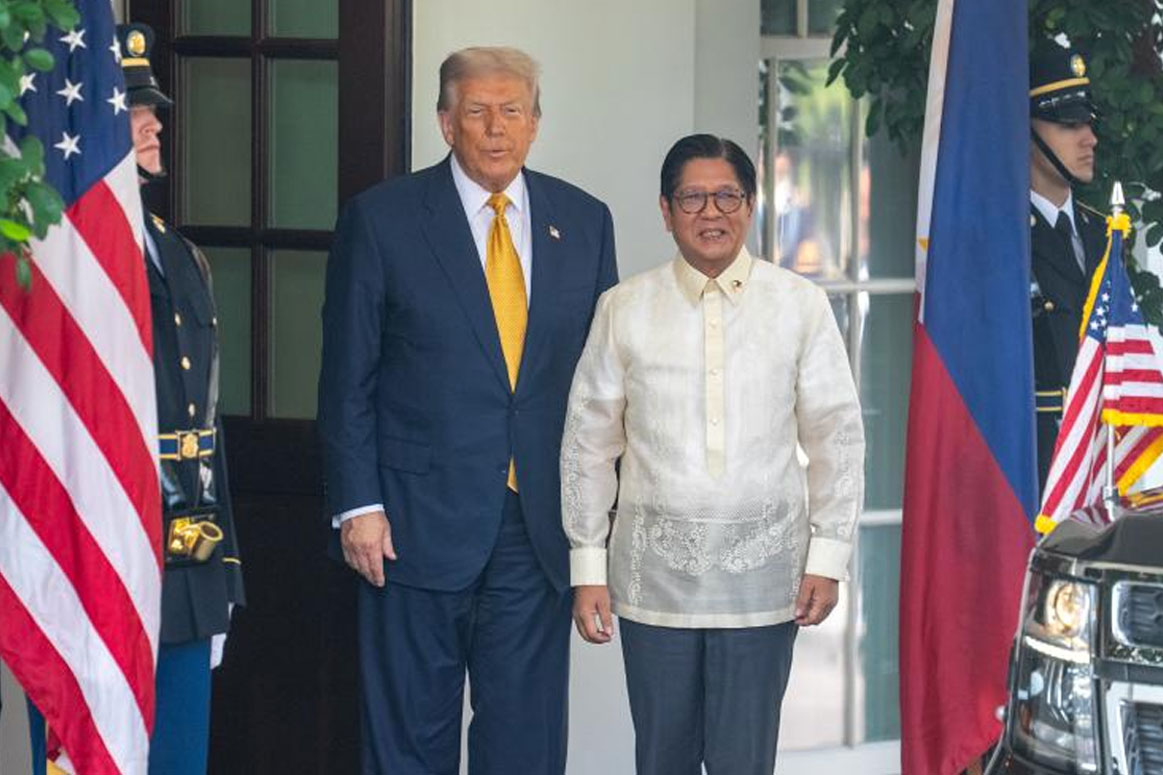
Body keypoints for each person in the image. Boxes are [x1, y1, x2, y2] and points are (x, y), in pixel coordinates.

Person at [318, 46, 617, 774]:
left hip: (535, 527)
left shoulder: (582, 220)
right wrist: (358, 503)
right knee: (408, 741)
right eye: (477, 111)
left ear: (535, 123)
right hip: (410, 526)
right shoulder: (382, 219)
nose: (495, 128)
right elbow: (346, 377)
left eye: (511, 111)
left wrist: (594, 535)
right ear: (445, 123)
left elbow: (602, 389)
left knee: (525, 742)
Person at [562, 134, 864, 775]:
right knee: (662, 760)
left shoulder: (798, 306)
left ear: (751, 206)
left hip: (765, 583)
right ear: (666, 211)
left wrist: (828, 556)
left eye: (727, 195)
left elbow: (836, 436)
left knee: (743, 763)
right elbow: (589, 441)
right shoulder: (624, 309)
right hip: (653, 584)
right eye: (693, 198)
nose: (711, 212)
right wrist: (587, 563)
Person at [26, 22, 245, 775]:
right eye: (131, 107)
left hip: (182, 562)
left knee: (179, 761)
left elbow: (202, 425)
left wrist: (222, 576)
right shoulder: (57, 264)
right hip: (89, 559)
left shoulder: (180, 255)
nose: (154, 122)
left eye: (152, 109)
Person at [1029, 42, 1106, 491]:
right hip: (1037, 466)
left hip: (1101, 461)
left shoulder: (1105, 234)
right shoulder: (1004, 242)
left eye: (1088, 122)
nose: (1089, 138)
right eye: (1069, 124)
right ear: (1028, 131)